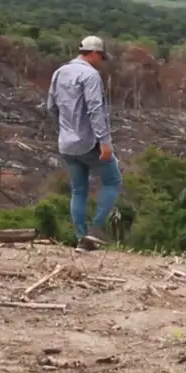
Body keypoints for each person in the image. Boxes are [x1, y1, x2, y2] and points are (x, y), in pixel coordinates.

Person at [46, 36, 122, 251]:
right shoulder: (90, 75)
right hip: (88, 142)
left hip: (67, 143)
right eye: (101, 57)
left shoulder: (60, 72)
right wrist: (104, 142)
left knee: (79, 190)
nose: (101, 61)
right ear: (95, 53)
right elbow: (95, 109)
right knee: (113, 180)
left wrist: (63, 130)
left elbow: (52, 106)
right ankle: (95, 230)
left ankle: (81, 237)